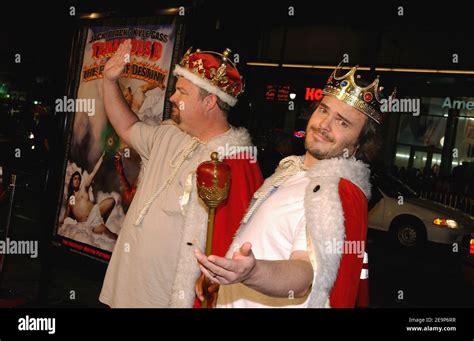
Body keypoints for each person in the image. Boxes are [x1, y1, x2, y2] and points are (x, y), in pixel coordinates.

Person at [195, 65, 392, 308]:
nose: (324, 125)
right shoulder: (291, 172)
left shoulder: (330, 192)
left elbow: (304, 276)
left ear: (357, 146)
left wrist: (250, 273)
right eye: (323, 110)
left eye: (342, 123)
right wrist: (226, 279)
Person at [99, 40, 263, 307]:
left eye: (182, 92)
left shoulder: (235, 162)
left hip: (164, 298)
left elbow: (232, 247)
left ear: (210, 101)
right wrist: (109, 82)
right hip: (127, 288)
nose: (173, 97)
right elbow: (127, 128)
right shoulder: (169, 133)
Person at [61, 152, 118, 240]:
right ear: (71, 182)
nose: (77, 181)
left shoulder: (83, 188)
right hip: (86, 224)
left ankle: (102, 220)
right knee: (109, 236)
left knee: (111, 201)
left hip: (94, 213)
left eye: (78, 179)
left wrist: (102, 158)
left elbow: (94, 172)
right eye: (75, 179)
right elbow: (66, 217)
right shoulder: (71, 199)